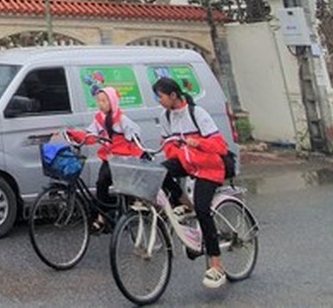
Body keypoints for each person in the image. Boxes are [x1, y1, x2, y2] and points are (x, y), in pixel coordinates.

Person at [152, 76, 230, 290]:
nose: (158, 101)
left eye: (160, 96)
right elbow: (167, 145)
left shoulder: (197, 113)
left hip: (209, 167)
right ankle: (183, 202)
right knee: (159, 171)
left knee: (204, 210)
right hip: (187, 163)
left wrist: (198, 143)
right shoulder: (166, 116)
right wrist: (176, 151)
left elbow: (220, 145)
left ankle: (216, 264)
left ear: (173, 95)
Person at [67, 85, 143, 232]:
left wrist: (135, 154)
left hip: (122, 160)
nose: (100, 104)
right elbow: (90, 136)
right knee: (101, 184)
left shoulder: (122, 120)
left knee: (123, 189)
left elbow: (135, 138)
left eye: (104, 101)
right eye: (99, 100)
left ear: (113, 102)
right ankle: (102, 216)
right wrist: (74, 135)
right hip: (108, 159)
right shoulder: (99, 119)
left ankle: (124, 216)